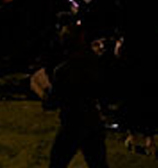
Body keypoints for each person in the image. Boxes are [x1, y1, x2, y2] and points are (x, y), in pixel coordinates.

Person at [43, 32, 111, 168]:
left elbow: (51, 103)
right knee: (98, 164)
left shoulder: (62, 71)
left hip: (72, 124)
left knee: (57, 162)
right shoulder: (94, 64)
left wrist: (45, 91)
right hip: (92, 121)